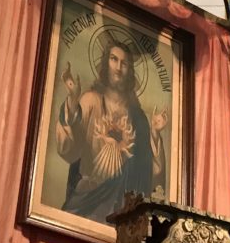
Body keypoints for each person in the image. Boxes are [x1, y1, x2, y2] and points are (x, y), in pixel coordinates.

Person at [55, 39, 169, 223]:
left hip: (121, 207)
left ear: (129, 71)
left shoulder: (138, 118)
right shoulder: (90, 100)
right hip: (87, 197)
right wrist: (73, 101)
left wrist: (154, 133)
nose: (118, 67)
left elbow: (152, 173)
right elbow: (70, 148)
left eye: (124, 63)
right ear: (105, 63)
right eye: (114, 59)